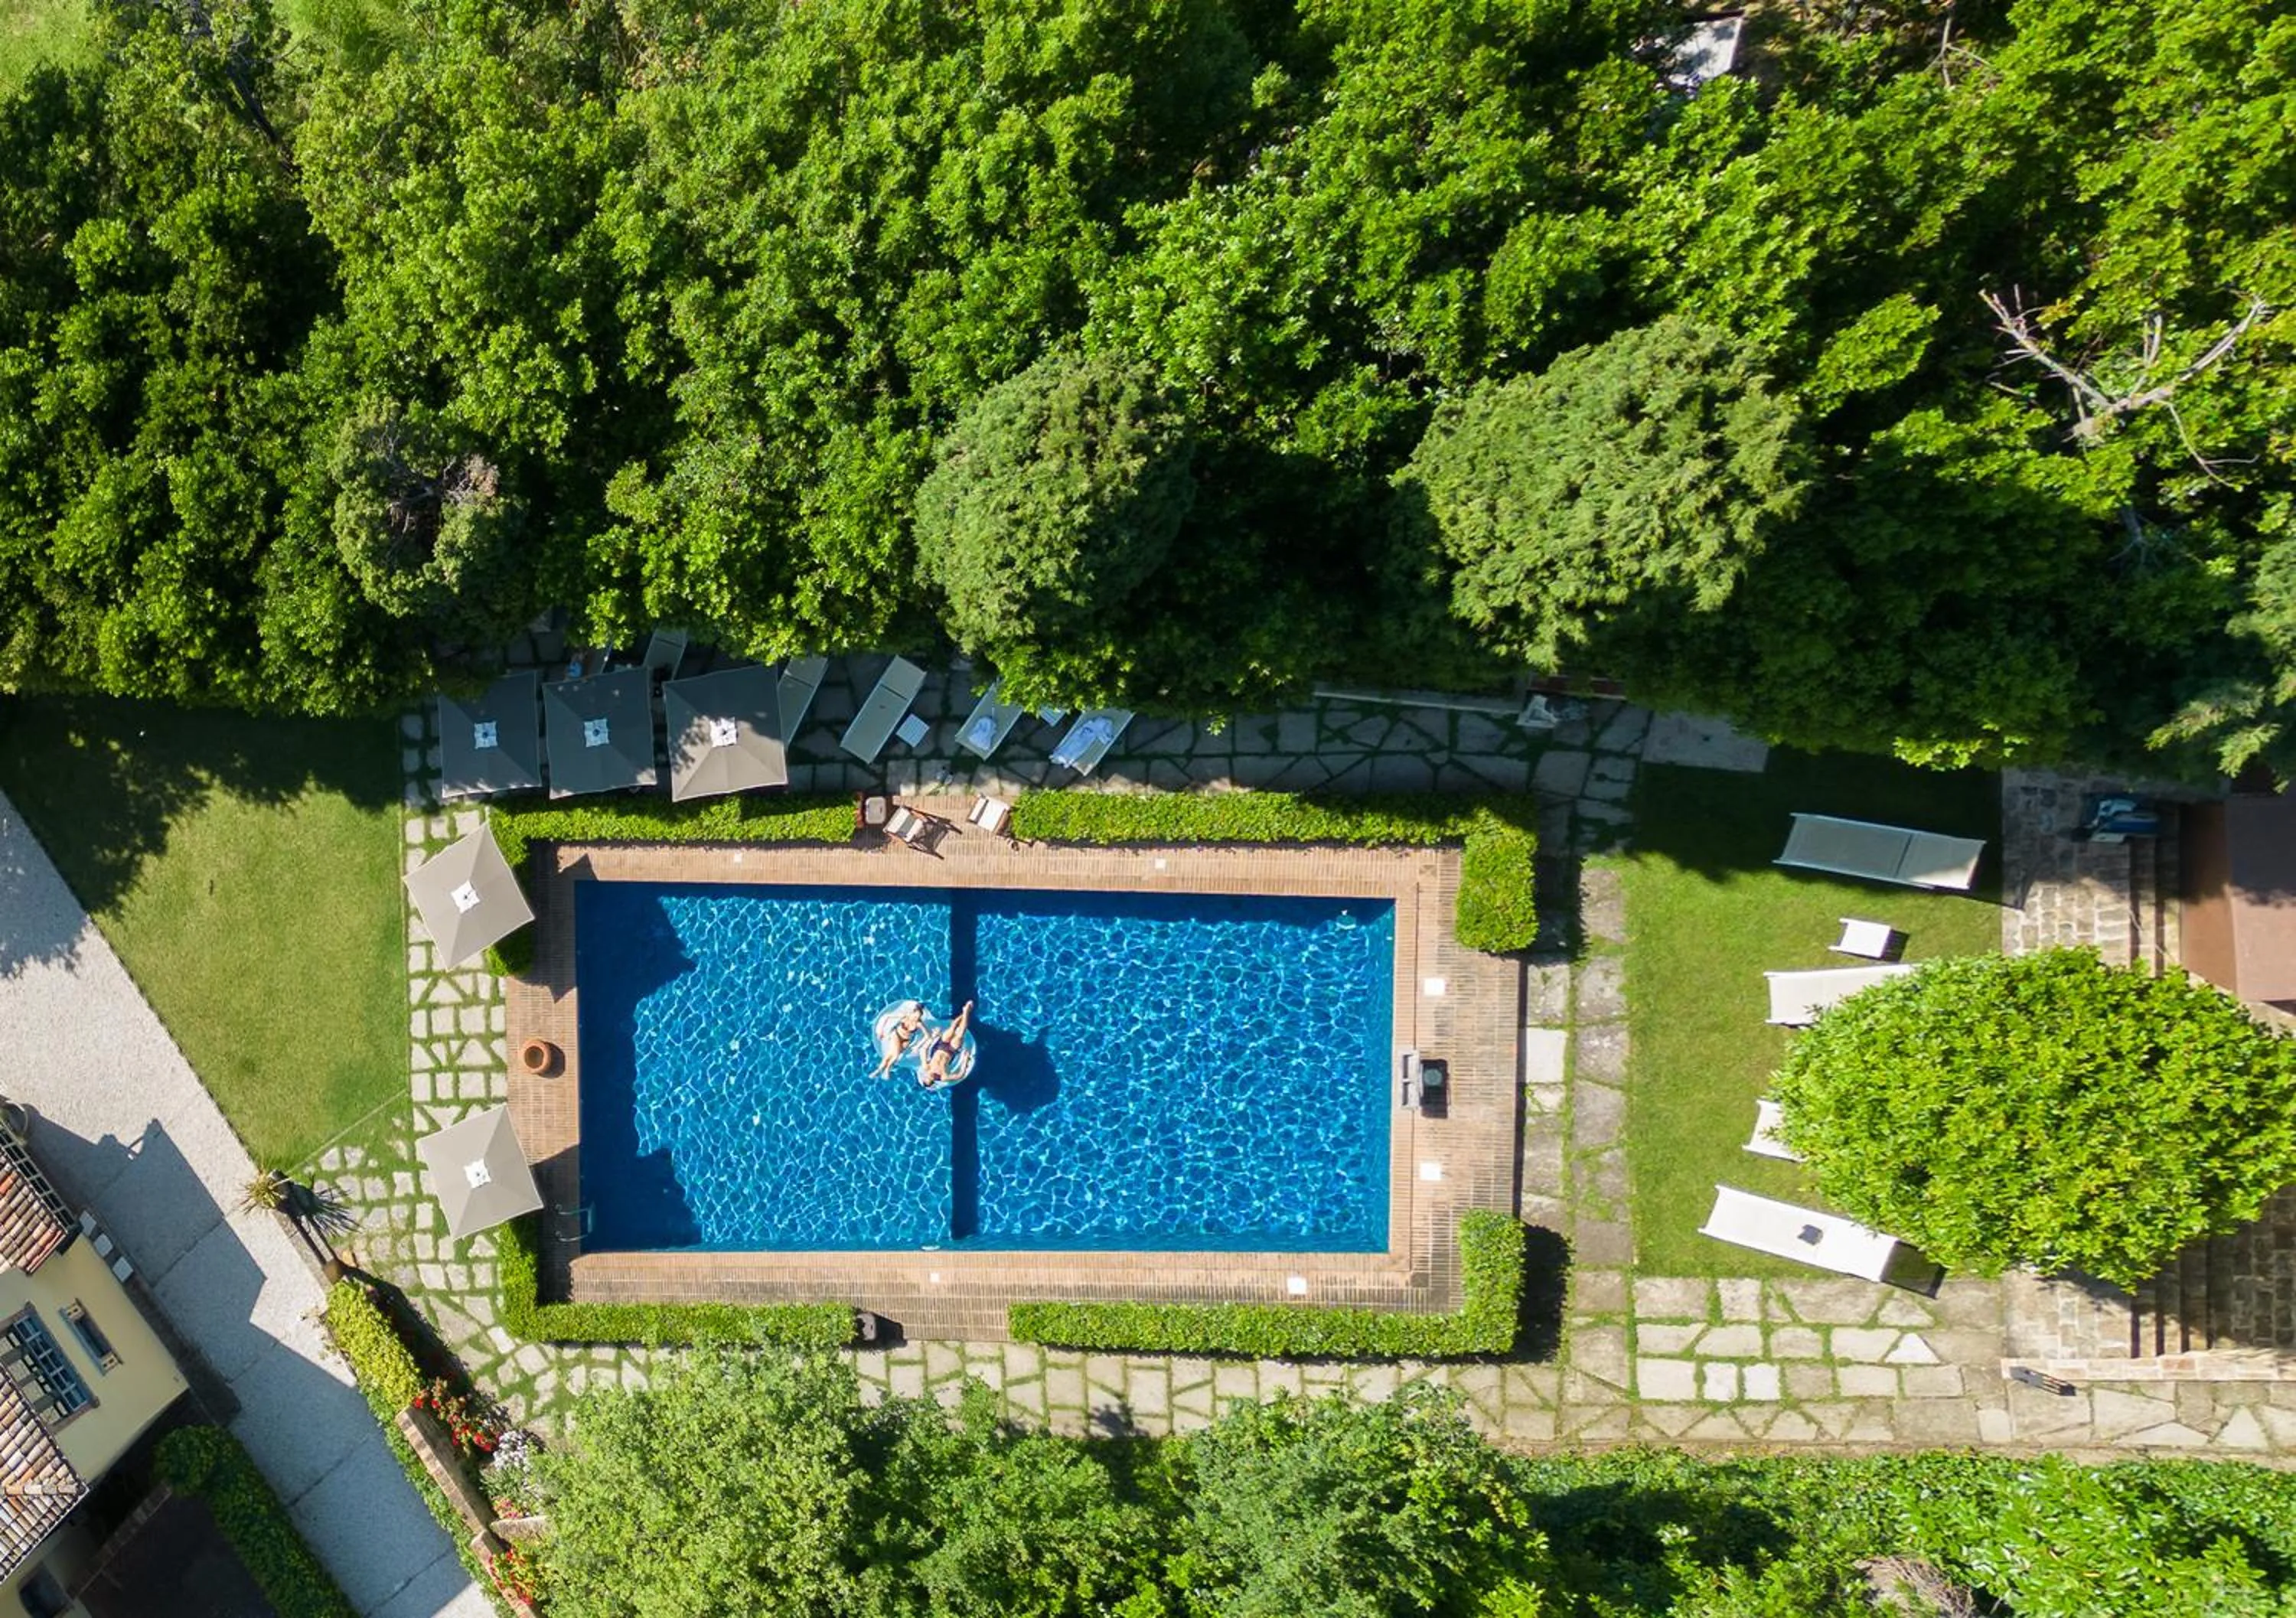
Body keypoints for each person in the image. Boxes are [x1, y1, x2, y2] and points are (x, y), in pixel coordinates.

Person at [918, 1000, 975, 1088]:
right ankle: (966, 1011)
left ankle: (965, 1014)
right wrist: (965, 1059)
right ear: (934, 1081)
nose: (930, 1076)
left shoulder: (927, 1067)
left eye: (927, 1077)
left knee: (953, 1026)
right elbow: (960, 1075)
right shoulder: (943, 1077)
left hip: (941, 1046)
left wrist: (932, 1038)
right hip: (951, 1050)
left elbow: (923, 1050)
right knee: (961, 1033)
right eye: (931, 1079)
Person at [872, 1003, 926, 1077]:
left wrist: (919, 1045)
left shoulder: (919, 1024)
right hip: (896, 1035)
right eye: (915, 1016)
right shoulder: (905, 1016)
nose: (916, 1019)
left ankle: (878, 1071)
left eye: (918, 1017)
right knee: (896, 1055)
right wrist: (881, 1031)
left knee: (890, 1055)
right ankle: (887, 1069)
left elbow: (928, 1036)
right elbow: (887, 1016)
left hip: (906, 1041)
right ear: (913, 1013)